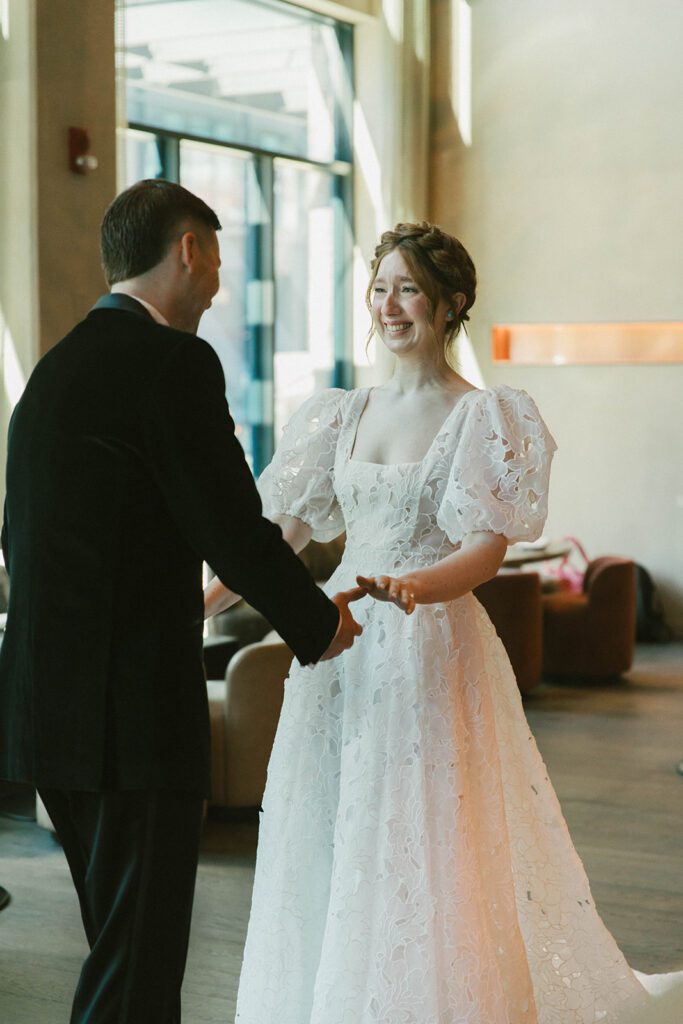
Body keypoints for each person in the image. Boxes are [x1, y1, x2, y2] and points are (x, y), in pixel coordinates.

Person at [206, 222, 679, 1022]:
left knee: (424, 831)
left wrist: (414, 586)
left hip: (430, 646)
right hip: (336, 651)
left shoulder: (486, 416)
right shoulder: (336, 413)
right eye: (380, 288)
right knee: (333, 818)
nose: (390, 306)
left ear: (450, 302)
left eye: (409, 289)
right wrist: (201, 598)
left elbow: (484, 550)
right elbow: (274, 539)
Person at [0, 179, 363, 1024]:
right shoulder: (170, 362)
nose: (217, 288)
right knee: (136, 965)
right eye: (217, 262)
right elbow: (233, 528)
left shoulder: (53, 369)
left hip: (45, 709)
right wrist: (320, 623)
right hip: (127, 716)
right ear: (188, 250)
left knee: (125, 947)